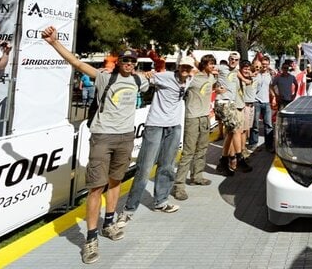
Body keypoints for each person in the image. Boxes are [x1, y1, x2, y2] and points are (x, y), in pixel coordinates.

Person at [41, 26, 150, 264]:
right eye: (126, 60)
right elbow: (77, 63)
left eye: (133, 61)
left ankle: (108, 223)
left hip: (126, 137)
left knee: (115, 182)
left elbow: (155, 80)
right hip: (103, 136)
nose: (129, 64)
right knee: (96, 187)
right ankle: (90, 238)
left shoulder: (138, 81)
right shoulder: (104, 77)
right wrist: (54, 42)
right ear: (119, 62)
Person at [116, 57, 196, 228]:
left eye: (188, 67)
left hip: (174, 127)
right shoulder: (165, 76)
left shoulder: (189, 78)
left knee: (167, 166)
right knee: (144, 168)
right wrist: (140, 73)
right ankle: (128, 210)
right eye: (183, 66)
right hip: (155, 125)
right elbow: (142, 77)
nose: (185, 69)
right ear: (178, 66)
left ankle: (161, 201)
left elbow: (202, 72)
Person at [172, 54, 217, 201]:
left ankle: (197, 176)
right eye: (210, 64)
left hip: (205, 117)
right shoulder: (193, 78)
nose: (213, 66)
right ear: (204, 65)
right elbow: (180, 81)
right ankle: (179, 186)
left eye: (213, 63)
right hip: (192, 117)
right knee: (188, 152)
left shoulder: (211, 77)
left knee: (202, 149)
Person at [215, 52, 241, 176]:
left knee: (231, 133)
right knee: (234, 130)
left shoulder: (236, 71)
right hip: (223, 102)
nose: (233, 61)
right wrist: (215, 89)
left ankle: (224, 161)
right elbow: (206, 69)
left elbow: (246, 77)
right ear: (228, 59)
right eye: (231, 59)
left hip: (231, 104)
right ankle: (236, 158)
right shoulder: (222, 68)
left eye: (236, 59)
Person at [254, 55, 275, 152]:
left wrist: (274, 97)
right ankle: (254, 145)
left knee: (268, 125)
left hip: (266, 102)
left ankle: (269, 146)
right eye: (263, 64)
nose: (264, 66)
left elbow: (271, 87)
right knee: (255, 125)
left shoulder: (271, 75)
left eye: (266, 64)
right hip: (256, 101)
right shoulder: (256, 74)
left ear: (269, 64)